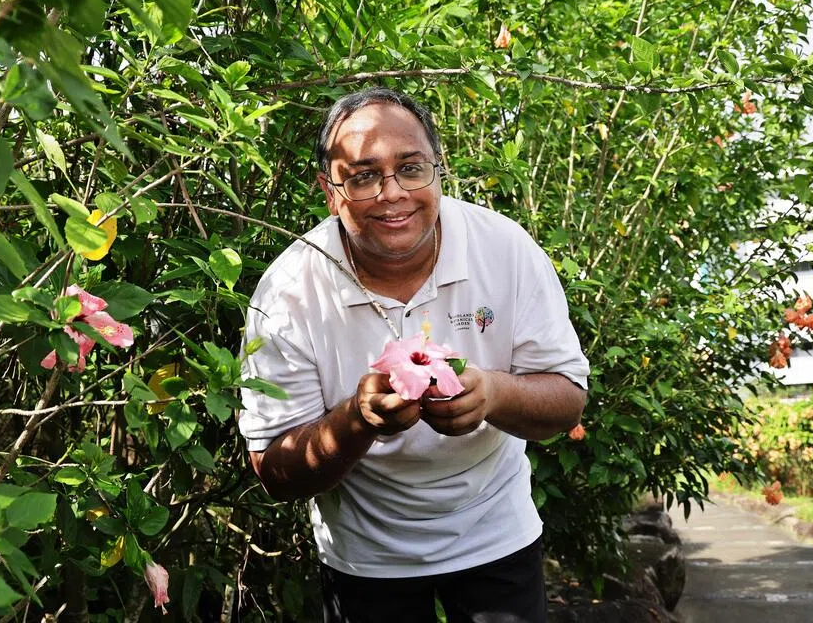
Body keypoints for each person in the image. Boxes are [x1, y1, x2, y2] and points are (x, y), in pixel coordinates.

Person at [238, 87, 590, 623]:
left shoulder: (505, 249)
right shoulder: (289, 292)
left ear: (438, 170)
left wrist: (491, 393)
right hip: (364, 555)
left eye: (410, 168)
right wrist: (356, 422)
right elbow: (273, 470)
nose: (391, 193)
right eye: (362, 176)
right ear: (330, 191)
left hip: (493, 529)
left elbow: (566, 401)